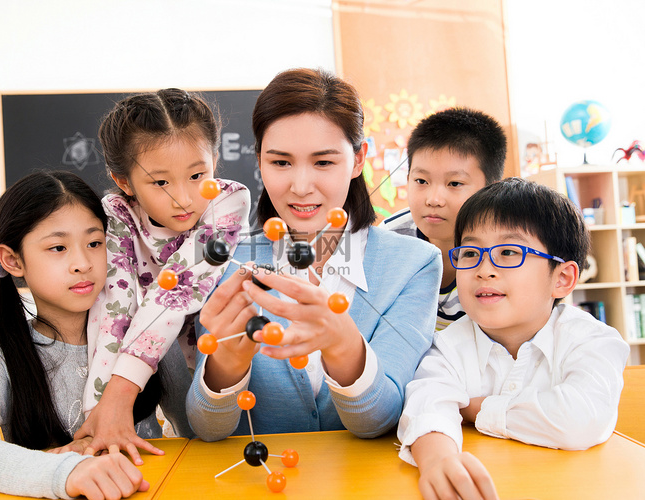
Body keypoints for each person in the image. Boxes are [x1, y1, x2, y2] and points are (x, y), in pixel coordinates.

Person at [186, 68, 441, 441]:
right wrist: (227, 363)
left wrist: (343, 345)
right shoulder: (224, 259)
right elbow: (207, 428)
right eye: (280, 162)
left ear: (358, 160)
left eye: (323, 162)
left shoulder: (414, 264)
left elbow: (380, 419)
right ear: (259, 160)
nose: (301, 187)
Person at [397, 178, 630, 500]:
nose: (484, 269)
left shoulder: (594, 340)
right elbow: (427, 406)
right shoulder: (447, 345)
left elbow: (581, 419)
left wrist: (476, 409)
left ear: (562, 278)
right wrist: (438, 461)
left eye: (509, 252)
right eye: (470, 252)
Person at [0, 171, 151, 499]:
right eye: (58, 247)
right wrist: (68, 471)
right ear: (13, 260)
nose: (82, 263)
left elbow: (203, 431)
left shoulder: (145, 331)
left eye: (95, 243)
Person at [77, 89, 250, 459]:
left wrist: (120, 395)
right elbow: (113, 310)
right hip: (144, 352)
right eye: (161, 183)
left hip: (213, 356)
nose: (183, 198)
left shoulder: (228, 203)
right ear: (124, 182)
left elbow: (174, 296)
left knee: (205, 444)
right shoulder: (119, 215)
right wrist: (99, 413)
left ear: (214, 162)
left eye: (197, 175)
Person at [381, 108, 507, 330]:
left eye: (455, 184)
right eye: (421, 181)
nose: (434, 199)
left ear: (491, 189)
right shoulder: (390, 238)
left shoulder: (508, 251)